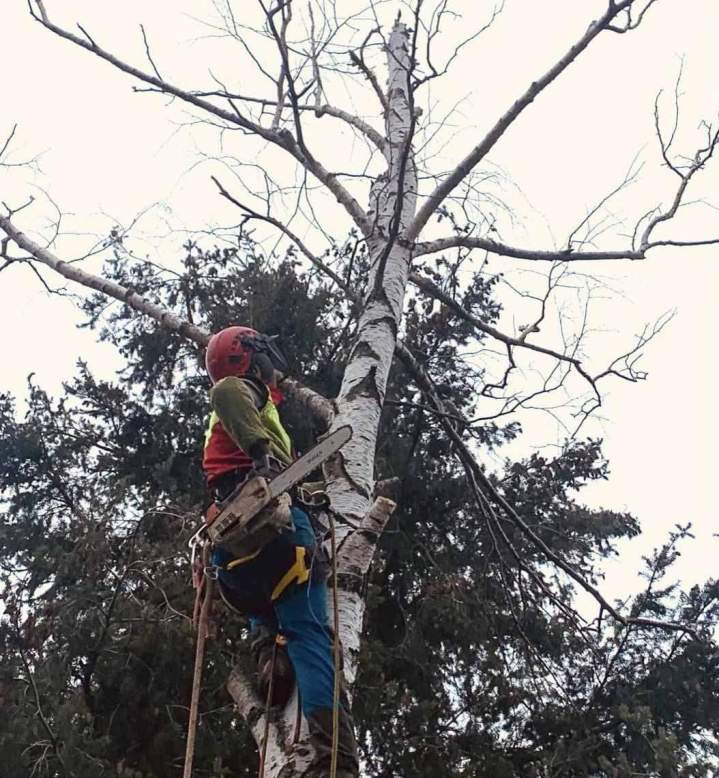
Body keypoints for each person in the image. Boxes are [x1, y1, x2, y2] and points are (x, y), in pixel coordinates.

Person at [202, 325, 359, 778]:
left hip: (238, 563)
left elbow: (272, 478)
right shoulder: (239, 389)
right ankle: (336, 760)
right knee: (311, 635)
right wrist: (261, 453)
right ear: (246, 357)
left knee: (268, 594)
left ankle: (269, 655)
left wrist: (303, 485)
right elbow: (228, 395)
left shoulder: (234, 436)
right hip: (280, 543)